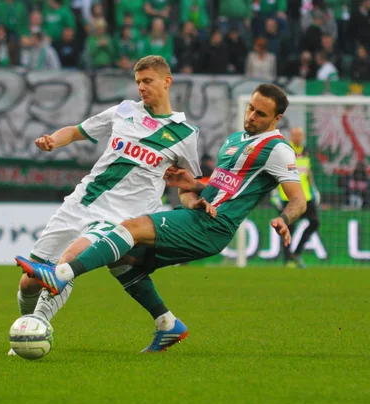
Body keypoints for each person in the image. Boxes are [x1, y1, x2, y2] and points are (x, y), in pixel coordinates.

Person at [16, 83, 307, 352]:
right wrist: (192, 186)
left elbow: (298, 199)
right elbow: (223, 189)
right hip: (198, 215)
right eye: (250, 108)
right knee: (120, 258)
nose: (252, 115)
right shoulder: (234, 140)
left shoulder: (278, 150)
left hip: (215, 226)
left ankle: (60, 274)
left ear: (276, 118)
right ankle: (167, 324)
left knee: (129, 227)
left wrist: (284, 218)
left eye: (261, 113)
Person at [11, 55, 202, 354]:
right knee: (29, 283)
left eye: (148, 81)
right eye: (138, 82)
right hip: (81, 202)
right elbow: (76, 131)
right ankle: (26, 327)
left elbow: (187, 184)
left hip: (123, 217)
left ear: (167, 82)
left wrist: (194, 206)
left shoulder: (185, 134)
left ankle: (35, 330)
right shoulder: (124, 111)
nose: (141, 87)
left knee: (66, 264)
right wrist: (53, 141)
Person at [270, 127, 320, 268]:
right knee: (287, 228)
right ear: (291, 136)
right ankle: (287, 260)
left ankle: (296, 253)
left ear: (303, 136)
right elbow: (275, 171)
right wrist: (274, 192)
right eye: (295, 135)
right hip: (288, 196)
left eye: (300, 135)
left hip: (306, 196)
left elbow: (307, 171)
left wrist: (314, 188)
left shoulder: (306, 151)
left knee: (315, 222)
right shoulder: (285, 150)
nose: (297, 138)